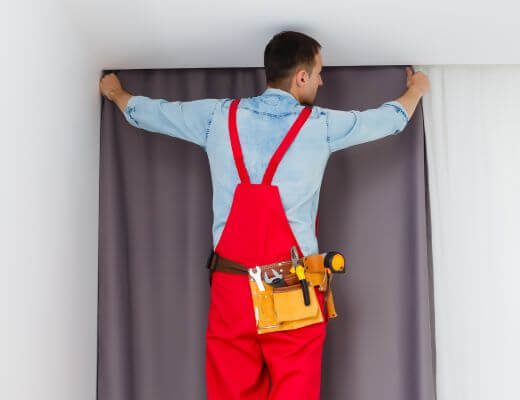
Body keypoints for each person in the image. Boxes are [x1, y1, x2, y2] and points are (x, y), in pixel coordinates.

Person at [100, 30, 430, 400]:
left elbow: (153, 113)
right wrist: (415, 88)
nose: (322, 81)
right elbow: (388, 120)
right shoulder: (319, 125)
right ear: (300, 77)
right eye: (319, 72)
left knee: (230, 391)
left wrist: (115, 93)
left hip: (231, 285)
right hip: (291, 282)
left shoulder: (217, 116)